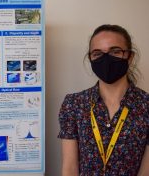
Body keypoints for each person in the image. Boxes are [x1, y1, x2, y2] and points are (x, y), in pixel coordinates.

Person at [58, 24, 149, 176]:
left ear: (130, 56)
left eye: (115, 51)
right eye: (97, 53)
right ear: (90, 58)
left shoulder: (146, 106)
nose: (106, 59)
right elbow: (69, 168)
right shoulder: (74, 104)